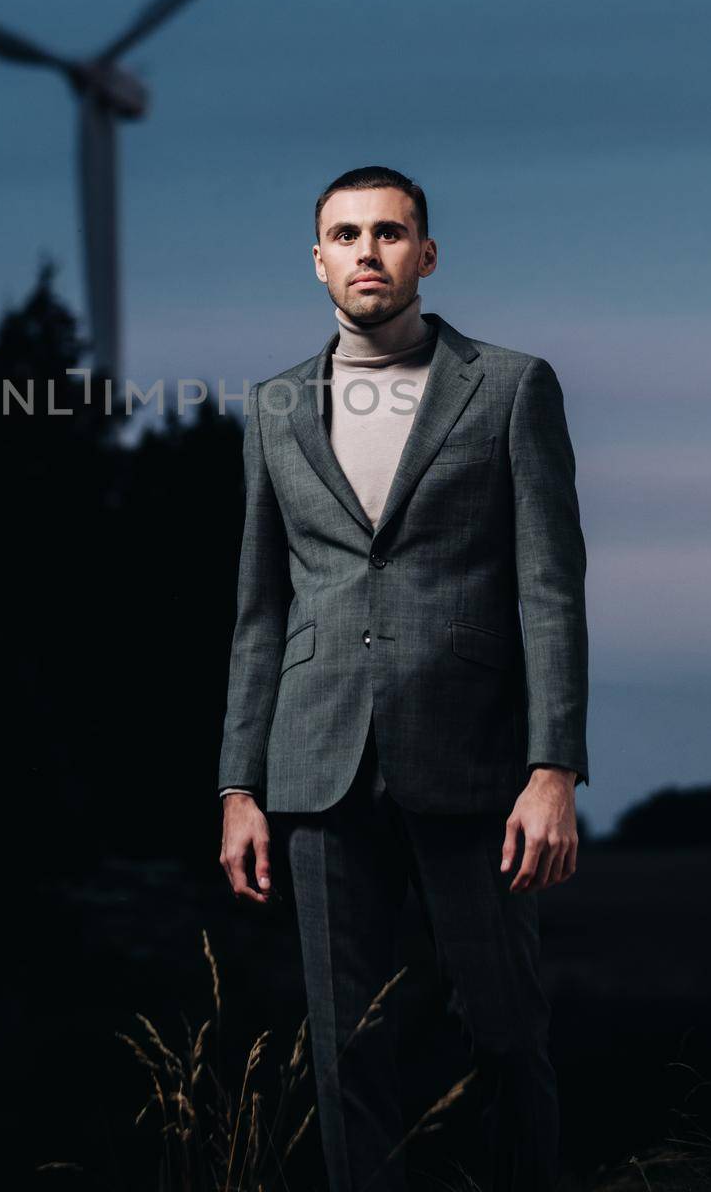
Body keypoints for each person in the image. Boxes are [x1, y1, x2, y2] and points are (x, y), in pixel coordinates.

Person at [217, 165, 588, 1192]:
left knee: (503, 1027)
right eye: (344, 234)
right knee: (345, 1053)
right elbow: (258, 609)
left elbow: (549, 586)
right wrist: (236, 784)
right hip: (313, 760)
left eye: (388, 233)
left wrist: (551, 766)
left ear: (425, 254)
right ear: (317, 261)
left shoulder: (510, 385)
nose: (366, 251)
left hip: (473, 758)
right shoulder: (275, 404)